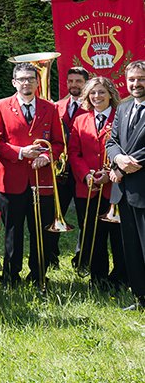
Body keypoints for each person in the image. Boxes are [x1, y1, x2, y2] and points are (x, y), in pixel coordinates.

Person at [0, 61, 64, 287]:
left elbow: (59, 143)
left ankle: (39, 275)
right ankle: (10, 277)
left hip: (41, 180)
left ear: (36, 82)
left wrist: (47, 157)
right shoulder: (0, 106)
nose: (26, 83)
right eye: (21, 79)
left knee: (40, 232)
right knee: (13, 232)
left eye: (31, 79)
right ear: (14, 82)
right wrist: (21, 152)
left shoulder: (49, 108)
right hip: (11, 182)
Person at [68, 76, 125, 288]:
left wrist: (109, 172)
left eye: (101, 92)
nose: (97, 96)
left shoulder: (121, 117)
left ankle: (120, 277)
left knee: (118, 237)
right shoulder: (80, 120)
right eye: (92, 92)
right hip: (88, 187)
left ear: (111, 94)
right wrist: (86, 175)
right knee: (93, 235)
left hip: (115, 187)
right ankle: (98, 278)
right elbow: (74, 153)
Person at [106, 60, 145, 310]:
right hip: (124, 191)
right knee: (131, 247)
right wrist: (118, 160)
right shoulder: (123, 106)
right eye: (132, 79)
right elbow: (113, 141)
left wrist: (133, 162)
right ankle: (141, 297)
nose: (136, 84)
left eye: (141, 79)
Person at [52, 67, 89, 267]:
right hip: (61, 174)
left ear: (86, 84)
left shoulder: (93, 107)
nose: (74, 85)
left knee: (85, 219)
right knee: (54, 216)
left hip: (83, 172)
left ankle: (81, 259)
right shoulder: (56, 106)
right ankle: (51, 258)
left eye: (78, 81)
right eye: (71, 81)